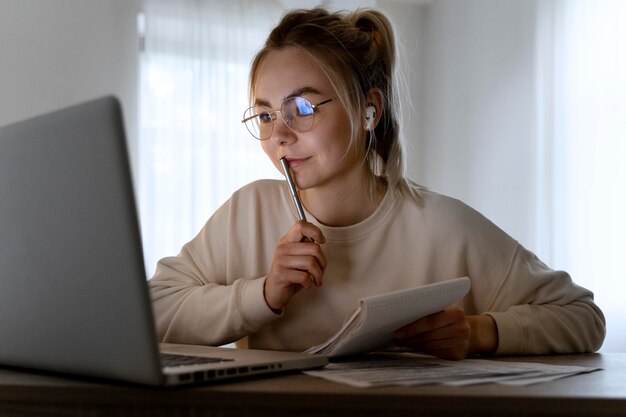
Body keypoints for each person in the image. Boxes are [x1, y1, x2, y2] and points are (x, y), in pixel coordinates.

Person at [149, 7, 605, 360]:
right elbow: (150, 313)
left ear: (369, 109)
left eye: (303, 109)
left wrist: (480, 331)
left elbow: (583, 318)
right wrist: (263, 294)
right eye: (266, 115)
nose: (280, 135)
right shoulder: (247, 213)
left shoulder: (442, 226)